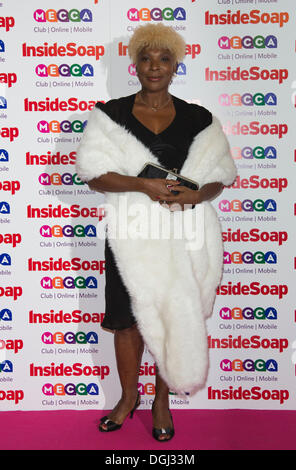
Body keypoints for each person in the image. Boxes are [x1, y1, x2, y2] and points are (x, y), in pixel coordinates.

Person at [76, 23, 237, 442]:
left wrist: (200, 193)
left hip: (185, 234)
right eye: (145, 58)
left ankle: (160, 401)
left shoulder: (199, 118)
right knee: (127, 323)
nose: (154, 67)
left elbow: (220, 175)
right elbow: (94, 176)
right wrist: (141, 185)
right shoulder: (111, 115)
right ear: (134, 63)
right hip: (130, 237)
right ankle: (128, 398)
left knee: (174, 317)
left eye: (163, 59)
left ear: (175, 65)